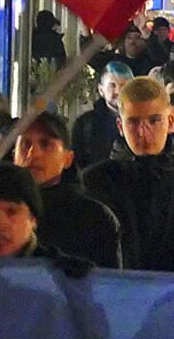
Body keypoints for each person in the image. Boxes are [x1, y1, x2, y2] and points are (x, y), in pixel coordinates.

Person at [82, 77, 174, 272]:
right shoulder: (95, 181)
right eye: (133, 122)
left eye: (154, 120)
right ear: (120, 127)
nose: (143, 132)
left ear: (170, 121)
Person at [14, 112, 121, 268]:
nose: (33, 154)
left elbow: (108, 284)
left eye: (45, 144)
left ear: (68, 159)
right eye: (25, 144)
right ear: (13, 156)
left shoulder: (94, 217)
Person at [73, 62, 132, 169]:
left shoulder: (143, 121)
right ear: (101, 90)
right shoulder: (85, 124)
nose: (118, 91)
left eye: (124, 85)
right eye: (112, 86)